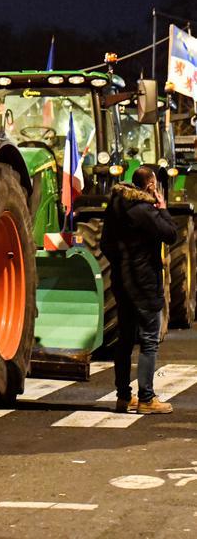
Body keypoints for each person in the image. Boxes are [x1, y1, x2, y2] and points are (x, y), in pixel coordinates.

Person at [102, 165, 177, 414]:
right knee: (148, 340)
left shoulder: (114, 208)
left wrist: (120, 264)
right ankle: (146, 398)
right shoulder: (144, 210)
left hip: (121, 282)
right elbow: (171, 234)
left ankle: (124, 396)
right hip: (144, 283)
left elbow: (104, 244)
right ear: (151, 185)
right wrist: (163, 208)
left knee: (124, 340)